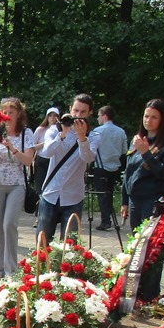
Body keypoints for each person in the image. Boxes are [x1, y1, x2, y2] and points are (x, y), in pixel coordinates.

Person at [0, 97, 35, 280]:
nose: (8, 115)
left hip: (16, 184)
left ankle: (12, 269)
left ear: (19, 114)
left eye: (12, 112)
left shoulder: (26, 133)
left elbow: (28, 161)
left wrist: (12, 148)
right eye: (5, 112)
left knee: (9, 224)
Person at [38, 94, 98, 242]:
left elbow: (88, 158)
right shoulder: (54, 130)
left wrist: (82, 138)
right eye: (76, 111)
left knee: (70, 246)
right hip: (51, 193)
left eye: (83, 112)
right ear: (70, 109)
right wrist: (62, 134)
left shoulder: (94, 135)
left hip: (73, 197)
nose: (78, 115)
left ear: (90, 113)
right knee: (42, 243)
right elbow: (46, 152)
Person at [122, 97, 164, 230]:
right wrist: (124, 201)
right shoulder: (137, 141)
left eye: (154, 117)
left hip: (153, 200)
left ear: (162, 120)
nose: (148, 120)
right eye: (146, 116)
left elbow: (163, 173)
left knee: (149, 241)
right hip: (134, 200)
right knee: (135, 241)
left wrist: (146, 153)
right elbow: (128, 171)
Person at [92, 105, 127, 231]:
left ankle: (105, 221)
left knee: (102, 195)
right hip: (115, 167)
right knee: (110, 193)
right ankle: (110, 218)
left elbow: (92, 150)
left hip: (101, 167)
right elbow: (124, 150)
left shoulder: (97, 131)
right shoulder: (121, 132)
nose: (97, 119)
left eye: (99, 116)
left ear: (105, 116)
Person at [31, 108, 59, 194]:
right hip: (42, 160)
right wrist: (46, 143)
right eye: (50, 115)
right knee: (40, 187)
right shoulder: (41, 129)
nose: (52, 118)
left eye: (55, 116)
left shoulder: (61, 130)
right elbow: (32, 147)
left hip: (55, 160)